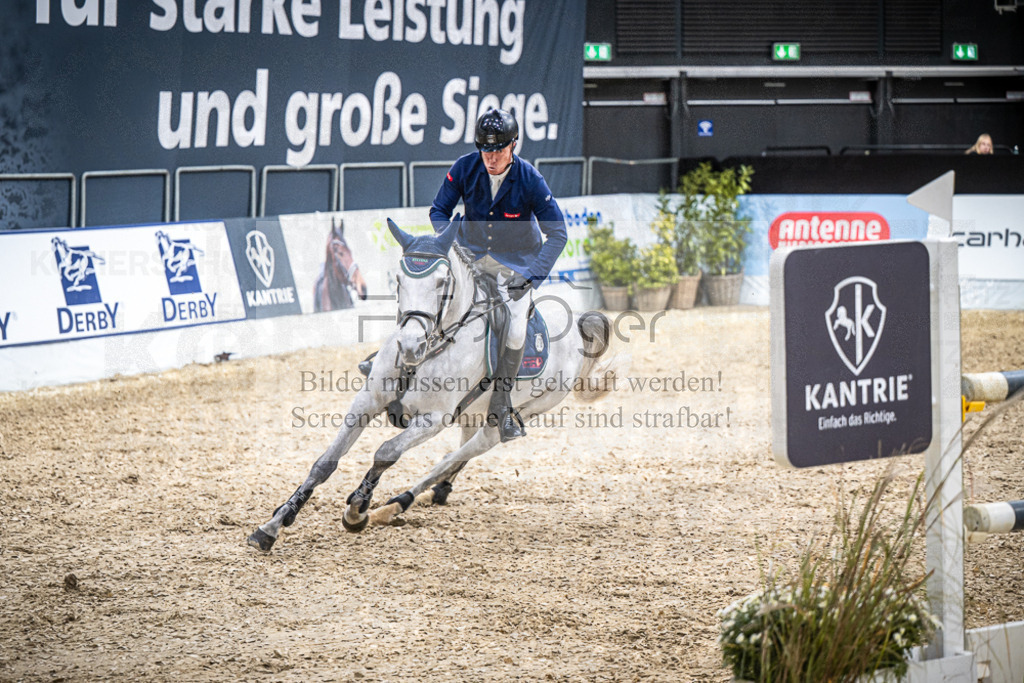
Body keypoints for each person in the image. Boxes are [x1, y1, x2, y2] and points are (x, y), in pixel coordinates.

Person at [429, 107, 568, 442]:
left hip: (516, 263)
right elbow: (439, 211)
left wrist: (533, 276)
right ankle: (392, 361)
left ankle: (502, 406)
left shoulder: (531, 179)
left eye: (498, 150)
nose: (491, 157)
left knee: (516, 328)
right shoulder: (465, 167)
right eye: (485, 150)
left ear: (514, 145)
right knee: (428, 293)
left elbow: (559, 232)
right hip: (471, 255)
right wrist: (451, 244)